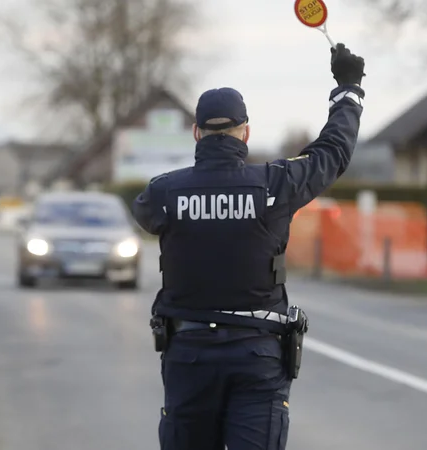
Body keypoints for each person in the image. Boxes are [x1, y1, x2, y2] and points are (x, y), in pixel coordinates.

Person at [131, 43, 366, 450]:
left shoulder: (163, 193)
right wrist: (349, 89)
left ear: (196, 133)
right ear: (246, 132)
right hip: (258, 355)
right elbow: (332, 153)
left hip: (189, 354)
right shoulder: (276, 184)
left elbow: (146, 214)